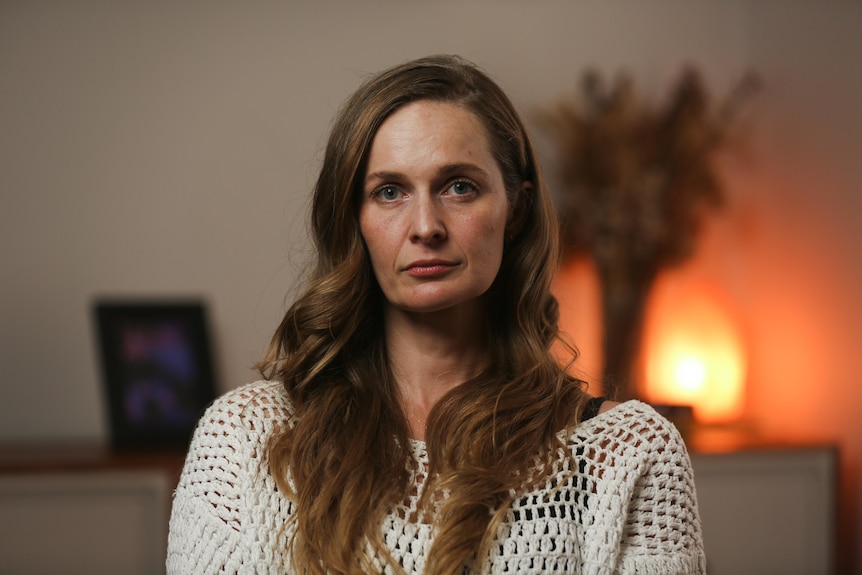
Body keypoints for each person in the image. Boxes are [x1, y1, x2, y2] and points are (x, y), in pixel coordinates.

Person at [167, 54, 705, 575]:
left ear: (515, 209)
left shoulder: (625, 454)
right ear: (354, 219)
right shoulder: (246, 440)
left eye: (459, 187)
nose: (426, 226)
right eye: (390, 192)